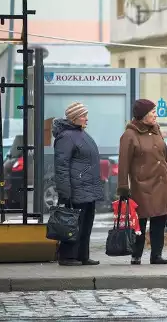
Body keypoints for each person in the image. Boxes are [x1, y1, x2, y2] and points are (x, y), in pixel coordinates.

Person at [117, 99, 167, 265]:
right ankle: (136, 255)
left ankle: (156, 255)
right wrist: (123, 187)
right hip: (141, 185)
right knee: (140, 222)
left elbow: (165, 158)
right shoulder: (130, 135)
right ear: (143, 115)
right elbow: (123, 164)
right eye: (152, 112)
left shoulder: (156, 130)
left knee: (159, 220)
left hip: (161, 183)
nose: (155, 114)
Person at [53, 102, 104, 267]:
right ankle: (67, 256)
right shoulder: (66, 137)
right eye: (83, 115)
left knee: (86, 224)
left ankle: (83, 255)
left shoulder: (81, 133)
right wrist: (64, 192)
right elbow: (61, 166)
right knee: (72, 224)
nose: (86, 119)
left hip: (87, 187)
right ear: (74, 118)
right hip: (76, 188)